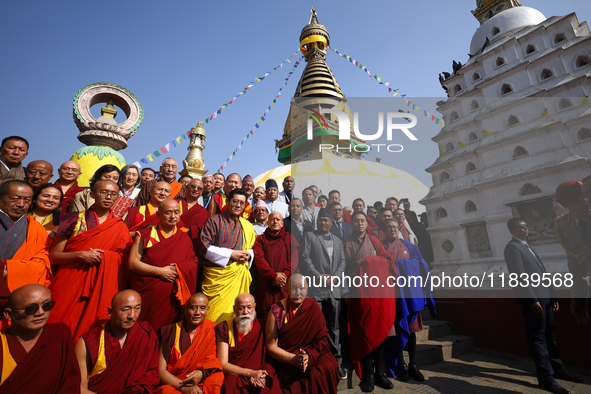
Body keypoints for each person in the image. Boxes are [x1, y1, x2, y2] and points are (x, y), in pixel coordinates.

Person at [48, 180, 133, 341]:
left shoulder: (120, 226)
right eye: (103, 192)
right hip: (70, 279)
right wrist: (81, 255)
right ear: (92, 194)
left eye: (113, 194)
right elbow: (54, 256)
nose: (108, 197)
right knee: (57, 322)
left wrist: (108, 257)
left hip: (102, 282)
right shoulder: (71, 219)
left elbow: (125, 261)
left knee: (92, 331)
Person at [504, 218, 582, 394]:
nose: (526, 229)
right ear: (512, 230)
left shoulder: (527, 246)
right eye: (522, 227)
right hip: (534, 301)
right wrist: (532, 300)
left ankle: (558, 369)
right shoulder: (512, 248)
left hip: (545, 298)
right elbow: (519, 275)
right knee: (537, 338)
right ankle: (546, 377)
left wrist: (552, 296)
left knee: (550, 335)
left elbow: (542, 273)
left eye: (526, 226)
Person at [344, 211, 397, 392]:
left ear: (367, 224)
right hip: (358, 293)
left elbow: (387, 259)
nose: (359, 224)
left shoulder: (374, 242)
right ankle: (368, 376)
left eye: (362, 221)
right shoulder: (346, 243)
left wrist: (370, 263)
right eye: (356, 221)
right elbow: (342, 268)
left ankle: (380, 374)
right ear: (351, 223)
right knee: (364, 334)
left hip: (375, 292)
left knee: (380, 332)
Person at [129, 199, 198, 331]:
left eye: (176, 212)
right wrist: (160, 272)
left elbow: (193, 262)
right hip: (149, 293)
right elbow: (133, 263)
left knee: (168, 332)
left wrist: (180, 268)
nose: (173, 216)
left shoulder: (184, 238)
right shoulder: (145, 234)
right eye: (168, 213)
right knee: (144, 329)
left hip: (173, 298)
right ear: (159, 215)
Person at [265, 274, 339, 393]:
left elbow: (322, 338)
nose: (297, 292)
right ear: (287, 289)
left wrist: (308, 357)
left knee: (327, 367)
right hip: (286, 359)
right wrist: (293, 359)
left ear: (307, 289)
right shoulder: (277, 311)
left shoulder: (312, 306)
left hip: (310, 356)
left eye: (301, 288)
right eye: (293, 288)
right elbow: (271, 346)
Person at [75, 290, 161, 393]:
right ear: (110, 312)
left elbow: (149, 378)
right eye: (126, 309)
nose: (132, 316)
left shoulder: (146, 334)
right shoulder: (88, 343)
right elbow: (78, 389)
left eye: (137, 308)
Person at [381, 218, 435, 383]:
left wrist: (403, 265)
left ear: (399, 228)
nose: (392, 229)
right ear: (383, 230)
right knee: (397, 329)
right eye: (389, 227)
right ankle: (401, 365)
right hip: (393, 296)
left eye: (395, 227)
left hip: (410, 296)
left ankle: (413, 364)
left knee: (411, 331)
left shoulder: (407, 245)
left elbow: (422, 264)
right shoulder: (381, 247)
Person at [1, 284, 80, 393]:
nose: (41, 312)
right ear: (9, 314)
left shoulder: (58, 336)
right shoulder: (1, 343)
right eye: (31, 308)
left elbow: (69, 384)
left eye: (47, 306)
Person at [300, 208, 347, 380]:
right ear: (317, 221)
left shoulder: (338, 240)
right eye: (321, 220)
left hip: (333, 288)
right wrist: (319, 276)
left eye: (326, 220)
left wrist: (335, 277)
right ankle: (317, 359)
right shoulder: (310, 236)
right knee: (316, 326)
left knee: (334, 326)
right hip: (316, 288)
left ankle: (337, 361)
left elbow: (342, 261)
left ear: (331, 222)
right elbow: (305, 258)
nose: (323, 223)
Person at [200, 189, 256, 324]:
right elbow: (204, 248)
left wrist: (249, 255)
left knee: (237, 316)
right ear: (227, 201)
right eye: (235, 201)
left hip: (239, 275)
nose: (238, 205)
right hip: (218, 280)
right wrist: (232, 254)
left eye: (242, 203)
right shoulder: (214, 221)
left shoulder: (247, 225)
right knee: (214, 317)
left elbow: (252, 248)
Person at [159, 293, 224, 394]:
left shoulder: (211, 330)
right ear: (185, 309)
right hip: (177, 383)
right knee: (165, 391)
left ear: (207, 310)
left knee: (215, 380)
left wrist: (202, 374)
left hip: (202, 381)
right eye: (193, 308)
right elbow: (161, 371)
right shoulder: (171, 332)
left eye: (202, 308)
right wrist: (184, 387)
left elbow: (214, 363)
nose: (197, 312)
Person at [216, 293, 281, 394]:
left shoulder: (262, 326)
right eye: (241, 308)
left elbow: (270, 356)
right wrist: (250, 373)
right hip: (237, 375)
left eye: (249, 307)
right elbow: (223, 364)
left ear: (254, 307)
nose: (245, 312)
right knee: (229, 384)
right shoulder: (224, 328)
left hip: (259, 375)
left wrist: (262, 376)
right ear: (234, 308)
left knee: (273, 387)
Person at [0, 181, 53, 301]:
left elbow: (43, 261)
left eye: (27, 200)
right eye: (15, 199)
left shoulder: (36, 229)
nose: (21, 204)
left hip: (20, 292)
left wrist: (12, 270)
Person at [555, 179, 591, 325]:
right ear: (565, 205)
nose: (585, 201)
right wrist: (579, 299)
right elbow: (577, 264)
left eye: (587, 196)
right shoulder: (563, 226)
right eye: (578, 200)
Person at [254, 212, 294, 317]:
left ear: (282, 223)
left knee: (285, 315)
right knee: (265, 316)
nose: (275, 221)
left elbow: (295, 258)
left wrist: (284, 275)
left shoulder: (290, 238)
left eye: (278, 219)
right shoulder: (261, 239)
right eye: (272, 219)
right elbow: (259, 260)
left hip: (284, 284)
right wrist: (273, 276)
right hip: (267, 282)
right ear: (267, 222)